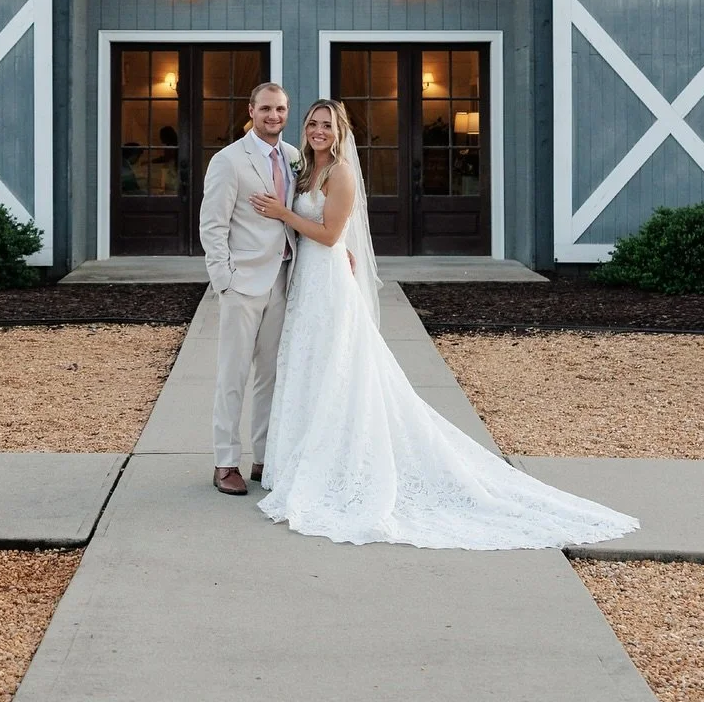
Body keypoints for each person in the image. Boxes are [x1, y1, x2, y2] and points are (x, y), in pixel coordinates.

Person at [248, 100, 640, 550]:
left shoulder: (341, 174)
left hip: (331, 285)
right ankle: (304, 459)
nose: (318, 131)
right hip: (308, 282)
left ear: (341, 131)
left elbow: (332, 235)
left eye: (327, 125)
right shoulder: (303, 170)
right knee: (308, 365)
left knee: (339, 368)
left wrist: (284, 215)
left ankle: (339, 464)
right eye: (312, 124)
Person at [199, 81, 297, 495]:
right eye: (267, 109)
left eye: (280, 109)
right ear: (251, 110)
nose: (274, 116)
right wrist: (225, 281)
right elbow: (213, 225)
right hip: (242, 283)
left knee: (271, 376)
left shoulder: (294, 158)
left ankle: (263, 457)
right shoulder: (228, 160)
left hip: (283, 280)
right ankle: (225, 462)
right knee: (233, 374)